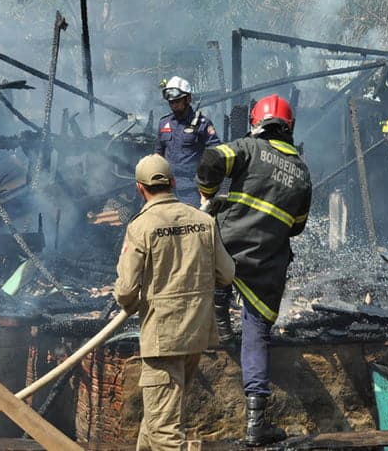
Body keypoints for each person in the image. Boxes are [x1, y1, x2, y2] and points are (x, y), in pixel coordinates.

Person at [196, 94, 312, 446]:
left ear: (257, 124)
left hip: (228, 245)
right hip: (266, 260)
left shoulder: (248, 148)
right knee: (257, 329)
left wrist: (209, 193)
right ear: (289, 128)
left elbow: (211, 158)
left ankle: (220, 321)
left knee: (220, 274)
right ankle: (255, 424)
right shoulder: (303, 175)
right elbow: (297, 227)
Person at [114, 153, 235, 451]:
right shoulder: (203, 220)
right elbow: (227, 273)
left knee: (165, 432)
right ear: (173, 182)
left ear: (139, 189)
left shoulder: (140, 226)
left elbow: (127, 288)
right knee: (157, 419)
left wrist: (129, 303)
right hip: (195, 334)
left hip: (162, 339)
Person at [155, 76, 221, 205]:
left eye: (177, 101)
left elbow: (216, 152)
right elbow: (158, 154)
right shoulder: (164, 123)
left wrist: (207, 183)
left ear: (188, 99)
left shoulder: (202, 123)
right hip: (168, 189)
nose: (174, 105)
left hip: (192, 191)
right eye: (171, 102)